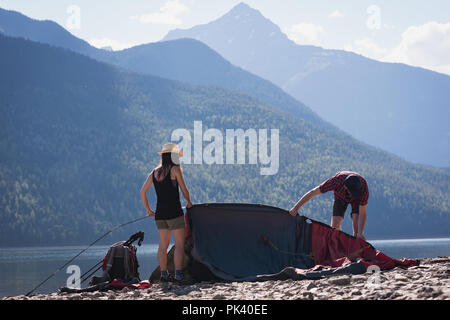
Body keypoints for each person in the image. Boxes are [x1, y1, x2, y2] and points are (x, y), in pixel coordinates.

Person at [140, 143, 193, 283]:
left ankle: (164, 275)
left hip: (160, 215)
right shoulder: (175, 169)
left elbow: (142, 192)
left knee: (162, 246)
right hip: (175, 213)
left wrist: (148, 210)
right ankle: (178, 275)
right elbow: (184, 190)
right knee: (179, 245)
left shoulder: (154, 172)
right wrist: (189, 202)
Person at [289, 171, 369, 240]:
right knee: (335, 225)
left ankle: (356, 250)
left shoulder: (363, 188)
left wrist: (360, 233)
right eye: (351, 192)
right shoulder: (336, 181)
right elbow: (312, 193)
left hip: (357, 199)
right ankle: (337, 249)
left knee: (357, 227)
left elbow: (362, 213)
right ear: (345, 187)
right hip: (340, 197)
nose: (351, 194)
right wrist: (295, 208)